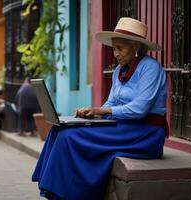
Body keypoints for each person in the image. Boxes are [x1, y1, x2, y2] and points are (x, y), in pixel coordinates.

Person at [32, 17, 168, 200]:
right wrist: (91, 114)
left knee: (69, 137)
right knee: (59, 129)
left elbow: (140, 109)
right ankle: (52, 190)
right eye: (114, 48)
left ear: (136, 47)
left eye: (121, 48)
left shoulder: (151, 68)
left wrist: (103, 112)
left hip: (145, 133)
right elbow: (111, 104)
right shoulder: (119, 71)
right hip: (124, 126)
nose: (116, 53)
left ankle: (70, 193)